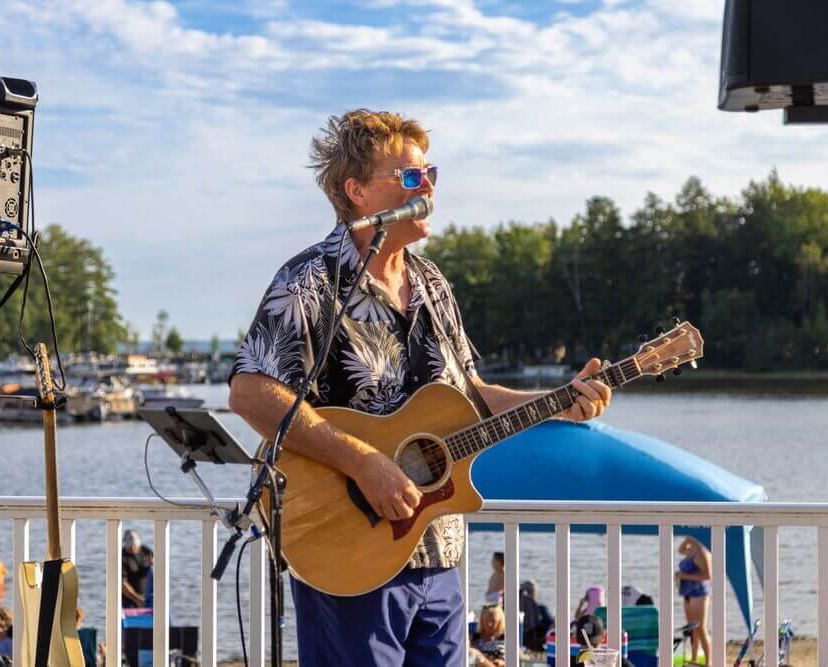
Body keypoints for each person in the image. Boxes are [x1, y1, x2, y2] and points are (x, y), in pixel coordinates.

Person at [228, 108, 614, 666]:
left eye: (430, 172)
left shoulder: (431, 283)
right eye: (410, 176)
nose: (428, 185)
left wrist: (559, 404)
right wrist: (364, 462)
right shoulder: (307, 281)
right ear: (357, 191)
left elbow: (472, 397)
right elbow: (250, 392)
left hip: (439, 550)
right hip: (350, 555)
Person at [676, 535, 711, 666]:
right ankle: (694, 658)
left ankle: (709, 662)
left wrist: (682, 575)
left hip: (699, 593)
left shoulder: (702, 551)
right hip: (688, 593)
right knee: (693, 627)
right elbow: (680, 550)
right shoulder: (693, 549)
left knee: (701, 628)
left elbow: (708, 575)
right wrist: (688, 539)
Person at [121, 529, 153, 608]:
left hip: (148, 597)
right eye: (130, 545)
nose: (132, 548)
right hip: (129, 601)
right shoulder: (121, 557)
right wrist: (137, 599)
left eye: (134, 545)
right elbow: (122, 584)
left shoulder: (147, 552)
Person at [519, 579, 553, 652]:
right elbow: (552, 624)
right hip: (534, 640)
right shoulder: (540, 608)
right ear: (534, 592)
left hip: (518, 638)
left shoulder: (514, 608)